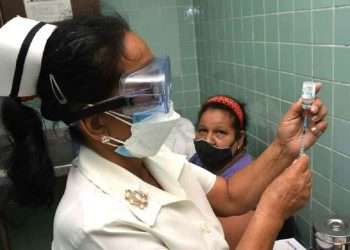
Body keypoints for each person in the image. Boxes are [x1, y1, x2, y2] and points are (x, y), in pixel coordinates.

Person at [0, 15, 327, 250]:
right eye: (145, 88)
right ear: (96, 124)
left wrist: (285, 146)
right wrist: (271, 212)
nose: (164, 96)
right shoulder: (96, 224)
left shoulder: (149, 156)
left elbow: (230, 195)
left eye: (159, 77)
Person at [190, 95, 295, 249]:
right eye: (203, 130)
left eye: (220, 132)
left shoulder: (247, 178)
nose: (208, 140)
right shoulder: (197, 160)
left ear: (239, 139)